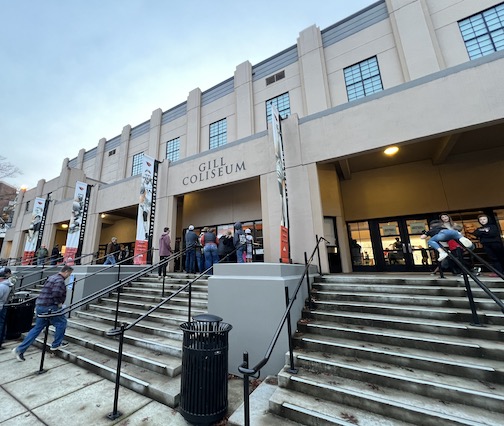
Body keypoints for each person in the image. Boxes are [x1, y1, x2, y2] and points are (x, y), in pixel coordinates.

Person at [12, 265, 74, 361]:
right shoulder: (59, 280)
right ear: (66, 271)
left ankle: (20, 349)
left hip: (41, 305)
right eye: (69, 274)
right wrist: (59, 303)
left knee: (37, 328)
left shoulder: (52, 277)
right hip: (50, 306)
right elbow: (56, 293)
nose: (69, 276)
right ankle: (56, 344)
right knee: (62, 322)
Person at [0, 268, 14, 350]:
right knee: (2, 323)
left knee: (1, 324)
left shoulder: (2, 286)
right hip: (3, 305)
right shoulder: (8, 285)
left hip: (1, 306)